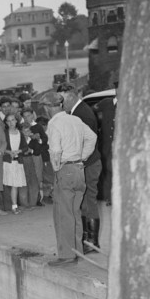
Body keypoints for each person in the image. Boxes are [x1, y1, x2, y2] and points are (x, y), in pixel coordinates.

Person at [41, 92, 97, 267]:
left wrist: (56, 168)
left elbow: (55, 150)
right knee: (74, 213)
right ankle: (77, 251)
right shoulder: (75, 119)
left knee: (63, 214)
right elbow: (92, 137)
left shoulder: (54, 123)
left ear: (48, 108)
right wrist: (83, 156)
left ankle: (66, 256)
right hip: (79, 169)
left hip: (65, 170)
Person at [57, 83, 103, 252]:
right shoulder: (77, 112)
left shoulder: (83, 113)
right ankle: (87, 239)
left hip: (88, 164)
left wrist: (79, 161)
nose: (60, 104)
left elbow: (88, 141)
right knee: (83, 201)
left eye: (61, 99)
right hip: (84, 163)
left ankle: (92, 242)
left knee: (88, 200)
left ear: (70, 96)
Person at [94, 86, 117, 206]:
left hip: (119, 145)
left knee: (116, 170)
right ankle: (109, 197)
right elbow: (94, 110)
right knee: (107, 171)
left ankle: (117, 197)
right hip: (107, 144)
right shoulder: (106, 102)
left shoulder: (127, 104)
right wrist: (99, 120)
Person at [3, 113, 28, 214]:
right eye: (8, 121)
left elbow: (25, 147)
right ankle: (12, 206)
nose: (11, 123)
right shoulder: (4, 133)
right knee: (11, 184)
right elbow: (1, 146)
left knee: (16, 184)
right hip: (8, 162)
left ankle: (14, 206)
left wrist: (19, 151)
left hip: (18, 161)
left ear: (16, 121)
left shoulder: (19, 133)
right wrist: (9, 152)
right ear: (6, 123)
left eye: (13, 120)